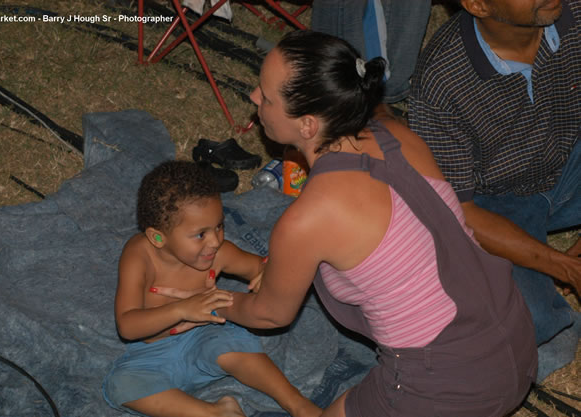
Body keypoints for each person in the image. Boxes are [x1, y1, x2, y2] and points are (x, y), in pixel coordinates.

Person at [165, 30, 537, 416]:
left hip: (443, 384)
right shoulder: (397, 134)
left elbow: (269, 313)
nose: (253, 98)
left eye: (266, 95)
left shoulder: (309, 218)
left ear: (308, 126)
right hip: (515, 340)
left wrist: (210, 305)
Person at [408, 0, 580, 379]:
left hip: (571, 154)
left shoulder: (573, 13)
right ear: (477, 4)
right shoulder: (441, 81)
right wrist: (565, 267)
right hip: (502, 200)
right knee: (529, 329)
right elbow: (460, 210)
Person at [102, 160, 321, 417]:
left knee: (232, 347)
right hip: (152, 352)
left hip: (207, 335)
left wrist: (268, 273)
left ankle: (298, 404)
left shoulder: (218, 253)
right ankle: (215, 412)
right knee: (121, 384)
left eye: (219, 226)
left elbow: (263, 267)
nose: (216, 240)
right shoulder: (139, 256)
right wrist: (183, 309)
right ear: (158, 237)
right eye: (200, 234)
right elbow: (127, 326)